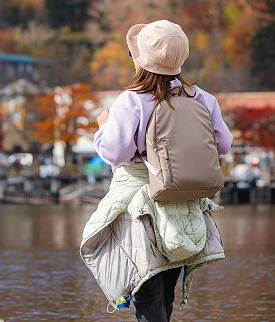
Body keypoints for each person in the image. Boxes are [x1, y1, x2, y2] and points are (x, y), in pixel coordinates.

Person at [79, 20, 232, 322]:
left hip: (139, 200)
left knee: (147, 293)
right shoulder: (201, 98)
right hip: (184, 199)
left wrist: (103, 127)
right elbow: (223, 144)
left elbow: (115, 153)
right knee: (165, 291)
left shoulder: (132, 100)